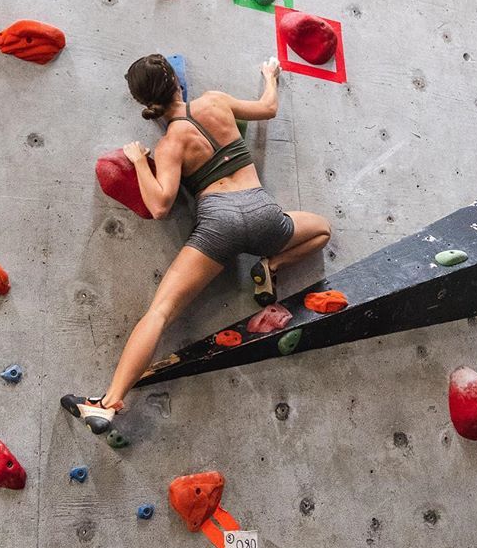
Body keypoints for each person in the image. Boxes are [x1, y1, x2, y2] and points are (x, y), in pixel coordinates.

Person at [61, 54, 331, 434]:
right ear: (176, 81)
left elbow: (159, 206)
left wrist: (140, 160)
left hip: (218, 224)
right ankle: (270, 267)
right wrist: (269, 76)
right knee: (322, 230)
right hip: (263, 212)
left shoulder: (170, 145)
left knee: (160, 312)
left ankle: (107, 403)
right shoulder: (215, 101)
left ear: (146, 105)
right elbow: (268, 108)